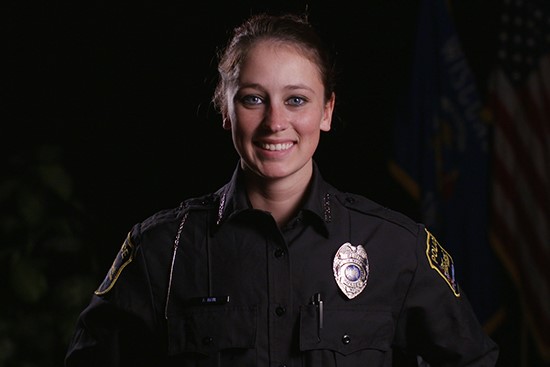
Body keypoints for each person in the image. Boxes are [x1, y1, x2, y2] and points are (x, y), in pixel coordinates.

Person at [65, 12, 499, 367]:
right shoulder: (162, 251)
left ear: (327, 110)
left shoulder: (395, 248)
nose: (275, 122)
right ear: (225, 109)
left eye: (296, 100)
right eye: (253, 98)